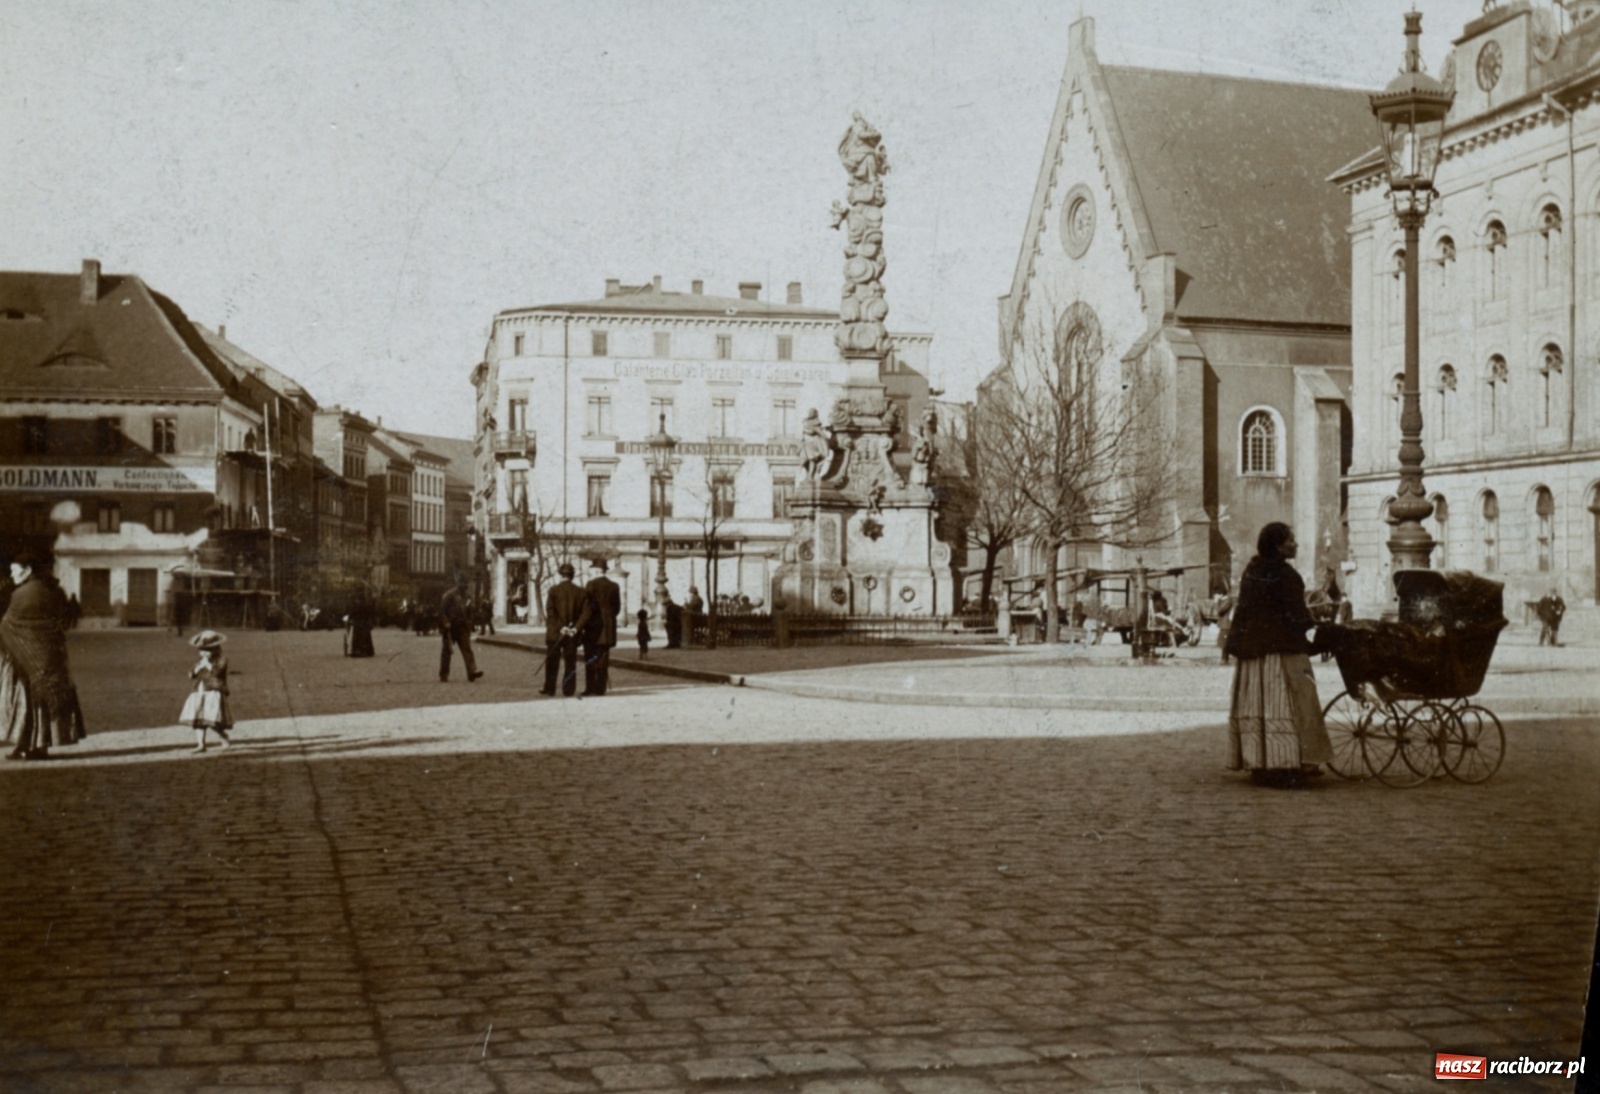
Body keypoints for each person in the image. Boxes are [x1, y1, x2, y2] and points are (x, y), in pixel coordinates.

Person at [1223, 522, 1333, 788]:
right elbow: (1295, 615)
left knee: (1257, 704)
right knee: (1291, 702)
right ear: (1277, 546)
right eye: (1290, 541)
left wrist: (1234, 643)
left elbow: (1244, 611)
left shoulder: (1252, 571)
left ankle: (1259, 762)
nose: (1295, 544)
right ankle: (1286, 763)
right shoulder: (1287, 576)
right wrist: (1317, 629)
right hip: (1282, 651)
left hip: (1254, 651)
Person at [1, 550, 86, 761]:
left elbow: (8, 625)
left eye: (14, 571)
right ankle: (38, 746)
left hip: (24, 660)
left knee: (26, 705)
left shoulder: (23, 594)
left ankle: (25, 746)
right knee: (42, 705)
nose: (11, 575)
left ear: (27, 570)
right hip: (48, 658)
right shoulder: (50, 590)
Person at [179, 630, 233, 753]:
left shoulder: (222, 660)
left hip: (213, 692)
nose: (203, 653)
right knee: (198, 719)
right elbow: (191, 675)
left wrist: (207, 665)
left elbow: (217, 672)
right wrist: (196, 669)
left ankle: (223, 736)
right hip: (199, 691)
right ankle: (201, 744)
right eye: (201, 650)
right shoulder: (199, 662)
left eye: (207, 651)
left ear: (216, 649)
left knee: (212, 719)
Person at [541, 563, 585, 697]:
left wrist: (561, 627)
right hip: (572, 633)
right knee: (570, 662)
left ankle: (550, 688)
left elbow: (550, 612)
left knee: (552, 661)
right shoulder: (580, 592)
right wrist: (574, 627)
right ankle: (568, 690)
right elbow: (584, 613)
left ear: (561, 575)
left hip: (555, 632)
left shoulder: (553, 590)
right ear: (572, 575)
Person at [580, 559, 622, 696]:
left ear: (597, 571)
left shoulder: (591, 584)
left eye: (592, 569)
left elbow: (586, 607)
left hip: (593, 627)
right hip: (608, 628)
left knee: (590, 658)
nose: (590, 572)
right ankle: (600, 689)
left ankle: (590, 687)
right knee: (603, 657)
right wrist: (608, 618)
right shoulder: (614, 586)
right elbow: (617, 608)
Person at [439, 578, 484, 683]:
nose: (466, 586)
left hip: (462, 626)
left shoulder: (467, 596)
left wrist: (469, 621)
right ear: (458, 584)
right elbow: (442, 610)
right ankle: (443, 674)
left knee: (467, 649)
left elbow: (470, 610)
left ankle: (472, 672)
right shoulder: (449, 595)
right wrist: (445, 622)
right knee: (447, 651)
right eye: (464, 584)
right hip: (450, 627)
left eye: (466, 584)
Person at [345, 591, 375, 658]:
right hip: (365, 624)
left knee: (358, 638)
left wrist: (350, 618)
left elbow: (352, 614)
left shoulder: (356, 606)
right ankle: (367, 651)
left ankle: (358, 651)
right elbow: (370, 613)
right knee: (366, 637)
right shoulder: (366, 605)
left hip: (358, 624)